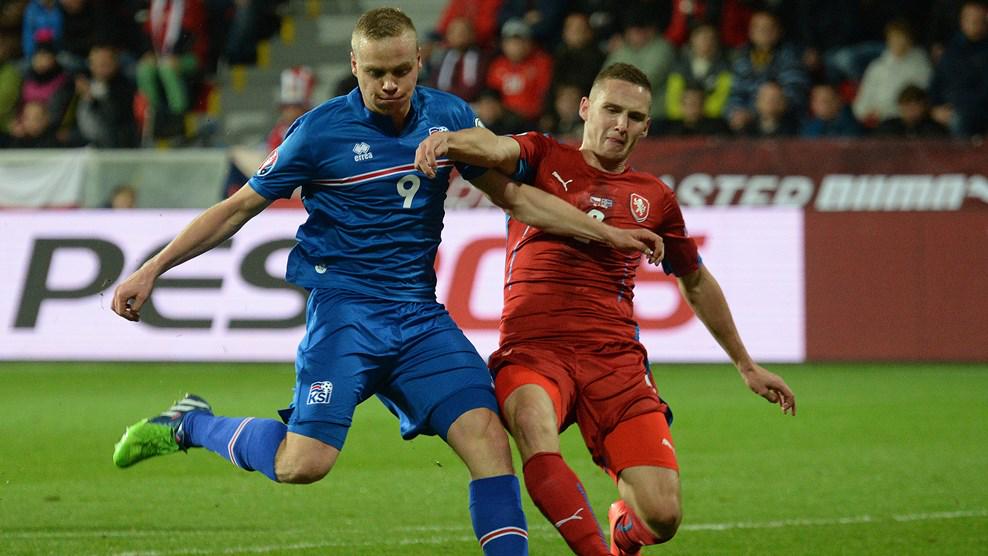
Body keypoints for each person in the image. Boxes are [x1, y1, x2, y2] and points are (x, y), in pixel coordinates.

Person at [110, 9, 661, 556]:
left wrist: (606, 233)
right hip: (345, 314)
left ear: (420, 60)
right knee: (304, 463)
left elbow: (515, 197)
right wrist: (152, 268)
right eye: (376, 73)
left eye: (401, 70)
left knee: (490, 442)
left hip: (420, 319)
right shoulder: (318, 132)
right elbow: (236, 209)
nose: (390, 84)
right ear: (355, 66)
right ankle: (192, 425)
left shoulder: (448, 116)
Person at [415, 62, 796, 556]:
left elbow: (696, 280)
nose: (620, 124)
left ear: (646, 126)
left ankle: (624, 533)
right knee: (532, 424)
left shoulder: (655, 198)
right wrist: (449, 141)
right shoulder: (543, 154)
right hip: (535, 352)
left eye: (634, 117)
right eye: (611, 109)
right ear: (585, 108)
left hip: (615, 361)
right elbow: (496, 149)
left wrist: (745, 363)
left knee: (662, 516)